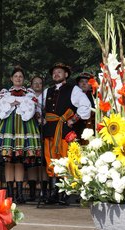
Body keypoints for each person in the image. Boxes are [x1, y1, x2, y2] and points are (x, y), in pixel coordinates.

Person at [0, 65, 41, 204]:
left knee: (18, 160)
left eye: (21, 77)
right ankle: (10, 193)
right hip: (7, 126)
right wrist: (17, 103)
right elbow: (2, 106)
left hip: (24, 127)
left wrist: (16, 103)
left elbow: (34, 106)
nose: (18, 78)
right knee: (8, 160)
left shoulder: (29, 93)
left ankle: (19, 193)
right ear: (11, 78)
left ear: (23, 79)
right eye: (16, 76)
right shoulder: (4, 93)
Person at [42, 63, 91, 204]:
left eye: (59, 72)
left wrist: (74, 119)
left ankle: (65, 193)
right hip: (50, 130)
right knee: (50, 160)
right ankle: (53, 193)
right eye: (54, 72)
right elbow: (40, 109)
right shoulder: (47, 91)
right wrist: (41, 118)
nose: (56, 74)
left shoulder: (73, 89)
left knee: (65, 160)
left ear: (66, 75)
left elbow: (85, 105)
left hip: (64, 131)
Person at [27, 76, 48, 201]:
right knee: (32, 161)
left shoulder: (47, 96)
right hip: (30, 128)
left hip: (43, 128)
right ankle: (32, 191)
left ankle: (45, 191)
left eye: (40, 83)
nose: (37, 85)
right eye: (35, 83)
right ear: (31, 84)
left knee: (44, 161)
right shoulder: (27, 96)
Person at [74, 72, 96, 144]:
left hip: (92, 127)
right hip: (77, 127)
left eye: (87, 82)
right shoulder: (73, 96)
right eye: (81, 82)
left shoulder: (95, 96)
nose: (84, 84)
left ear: (91, 85)